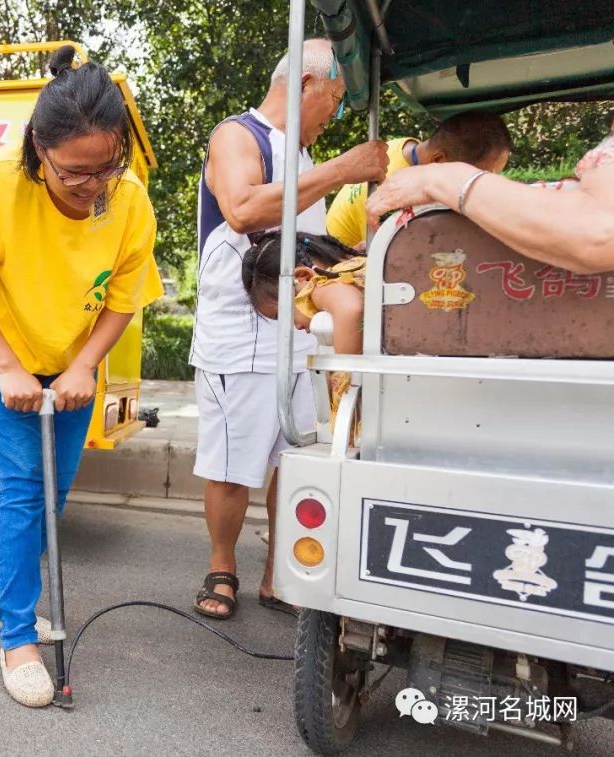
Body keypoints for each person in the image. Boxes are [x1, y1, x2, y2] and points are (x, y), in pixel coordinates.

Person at [0, 45, 163, 708]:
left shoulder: (129, 201)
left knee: (54, 495)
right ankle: (16, 635)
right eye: (73, 173)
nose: (91, 184)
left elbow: (125, 295)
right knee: (23, 486)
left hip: (68, 361)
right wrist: (7, 362)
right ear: (39, 146)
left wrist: (85, 364)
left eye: (105, 167)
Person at [189, 38, 388, 619]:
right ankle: (221, 566)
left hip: (299, 334)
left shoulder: (303, 159)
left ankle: (280, 570)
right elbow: (244, 210)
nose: (337, 112)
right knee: (231, 466)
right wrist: (345, 168)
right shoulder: (238, 135)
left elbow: (300, 244)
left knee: (291, 457)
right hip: (238, 336)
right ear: (305, 85)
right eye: (336, 97)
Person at [367, 120, 614, 274]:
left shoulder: (427, 173)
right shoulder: (392, 176)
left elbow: (601, 233)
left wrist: (442, 179)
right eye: (486, 174)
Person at [327, 111, 512, 248]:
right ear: (438, 160)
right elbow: (395, 253)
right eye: (471, 179)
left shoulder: (407, 148)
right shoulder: (392, 190)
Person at [242, 231, 365, 428]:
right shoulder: (356, 265)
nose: (296, 326)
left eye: (284, 315)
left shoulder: (318, 286)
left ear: (303, 277)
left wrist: (345, 377)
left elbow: (350, 309)